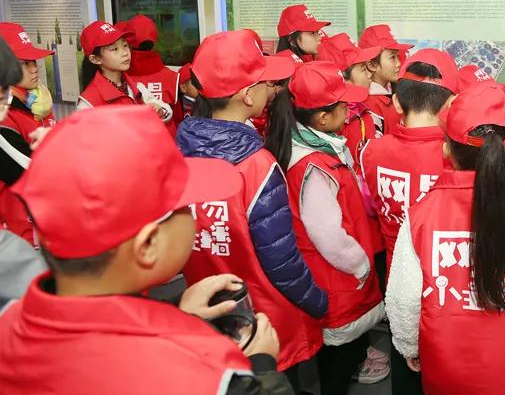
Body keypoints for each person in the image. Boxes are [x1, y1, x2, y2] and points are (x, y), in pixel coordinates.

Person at [0, 105, 294, 394]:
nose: (193, 215)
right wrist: (261, 368)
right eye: (185, 206)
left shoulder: (8, 322)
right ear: (149, 244)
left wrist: (175, 314)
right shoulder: (208, 374)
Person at [386, 82, 505, 395]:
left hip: (445, 367)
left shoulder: (420, 216)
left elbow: (404, 299)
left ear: (446, 149)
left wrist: (408, 344)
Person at [176, 30, 328, 392]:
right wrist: (318, 301)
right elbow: (282, 262)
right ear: (247, 95)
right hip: (267, 325)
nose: (271, 90)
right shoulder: (256, 166)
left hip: (208, 313)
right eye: (265, 82)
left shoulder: (177, 153)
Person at [268, 61, 385, 395]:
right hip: (336, 275)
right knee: (337, 368)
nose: (348, 111)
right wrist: (361, 265)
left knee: (337, 360)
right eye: (343, 105)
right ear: (322, 118)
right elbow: (328, 235)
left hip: (333, 272)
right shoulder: (312, 165)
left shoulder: (313, 145)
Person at [359, 49, 459, 395]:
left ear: (397, 104)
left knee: (404, 356)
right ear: (450, 105)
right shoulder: (455, 156)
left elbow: (372, 206)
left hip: (397, 274)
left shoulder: (373, 152)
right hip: (446, 277)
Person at [0, 23, 55, 245]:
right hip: (19, 236)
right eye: (24, 63)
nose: (34, 69)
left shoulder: (37, 102)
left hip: (45, 225)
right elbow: (28, 173)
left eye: (34, 61)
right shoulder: (4, 117)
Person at [78, 20, 170, 121]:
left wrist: (159, 110)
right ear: (95, 59)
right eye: (115, 49)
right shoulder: (89, 103)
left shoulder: (136, 87)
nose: (125, 53)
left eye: (125, 45)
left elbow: (165, 110)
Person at [316, 33, 381, 167]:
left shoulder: (362, 109)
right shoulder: (334, 122)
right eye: (363, 69)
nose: (370, 74)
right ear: (342, 77)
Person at [124, 14, 183, 137]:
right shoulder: (172, 77)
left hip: (130, 144)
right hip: (167, 144)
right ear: (155, 39)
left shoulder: (119, 79)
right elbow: (179, 122)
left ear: (127, 42)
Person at [358, 24, 412, 136]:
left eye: (397, 56)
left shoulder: (394, 90)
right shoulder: (368, 105)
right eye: (392, 57)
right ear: (372, 65)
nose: (398, 63)